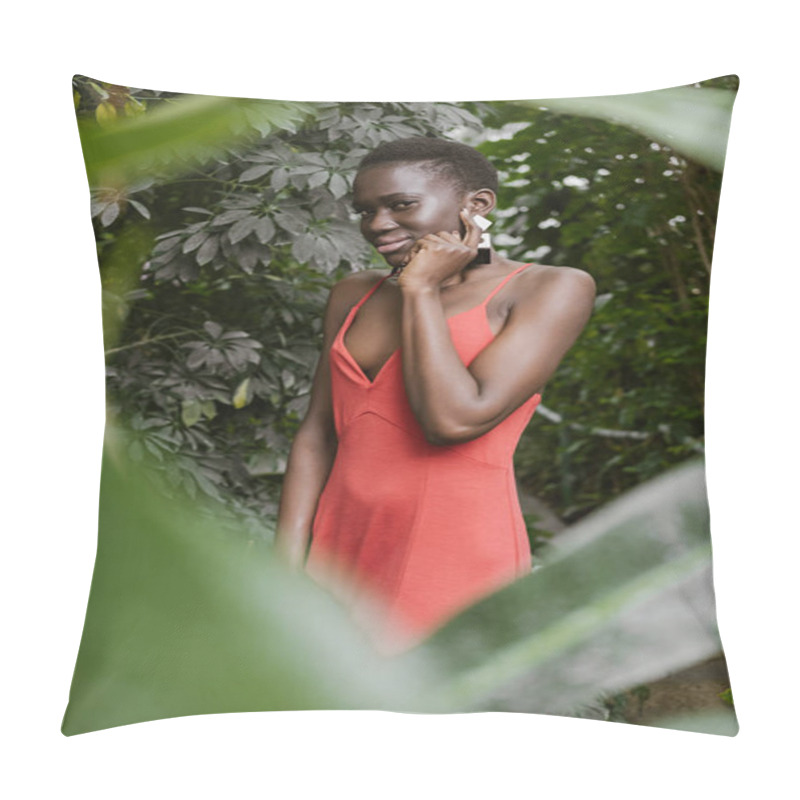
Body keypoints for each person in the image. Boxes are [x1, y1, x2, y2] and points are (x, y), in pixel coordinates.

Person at [275, 136, 595, 653]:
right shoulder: (354, 294)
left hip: (449, 548)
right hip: (339, 542)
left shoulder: (547, 288)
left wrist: (420, 289)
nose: (377, 225)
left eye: (401, 205)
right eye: (365, 210)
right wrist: (285, 567)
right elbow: (317, 434)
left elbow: (452, 422)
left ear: (477, 204)